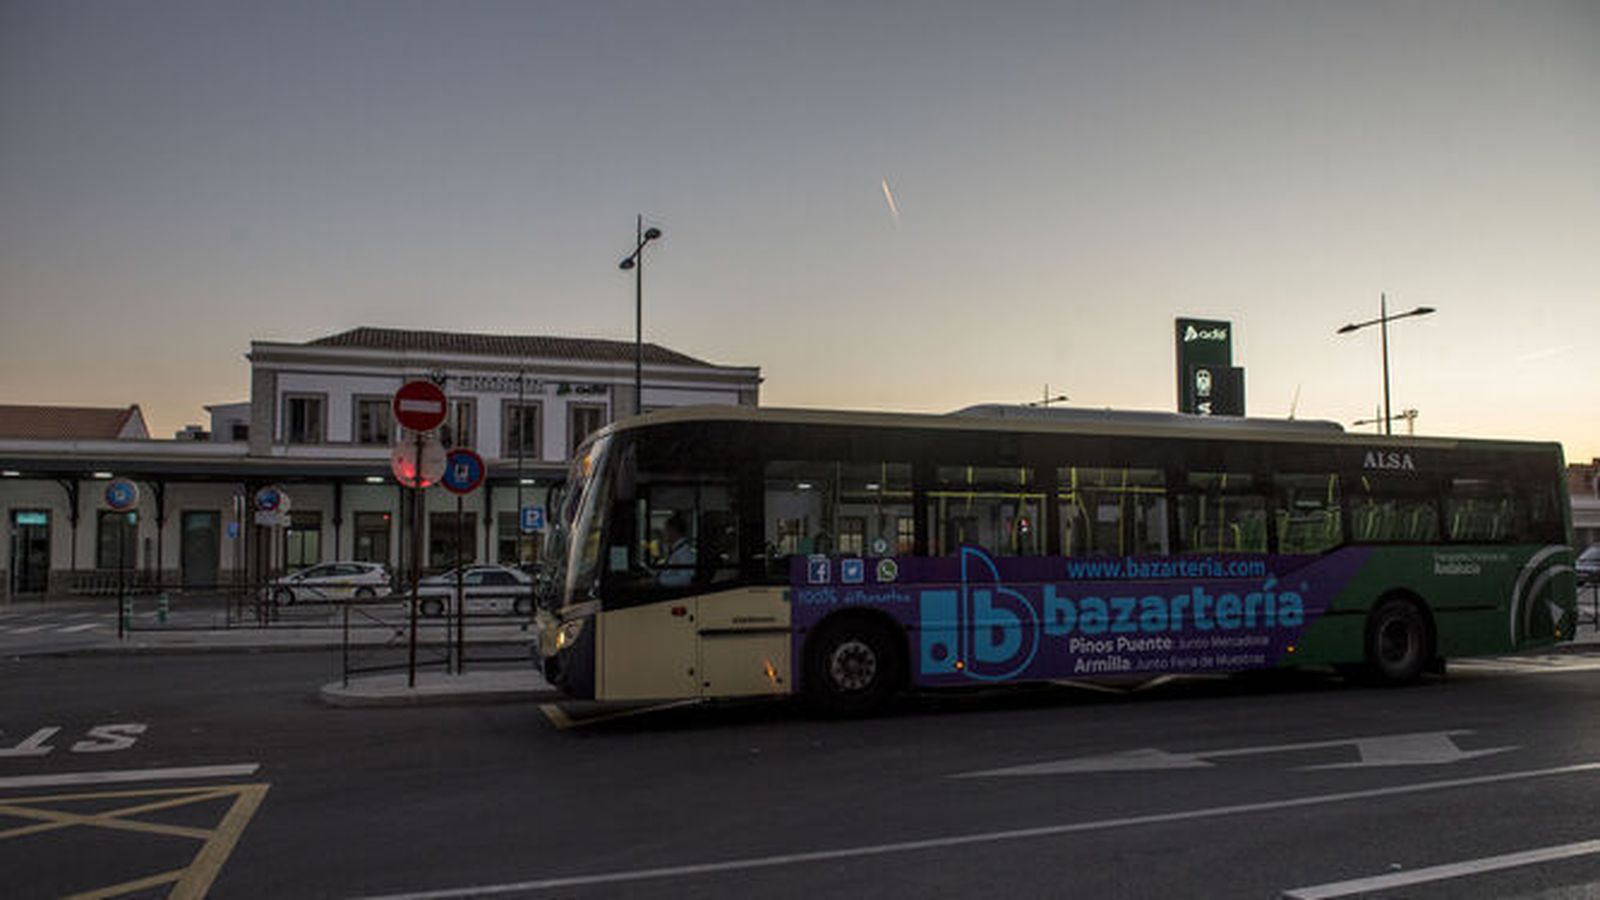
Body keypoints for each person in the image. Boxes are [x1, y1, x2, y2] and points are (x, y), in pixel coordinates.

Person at [656, 512, 696, 587]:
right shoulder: (676, 550)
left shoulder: (683, 553)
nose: (664, 533)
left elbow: (685, 579)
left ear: (673, 531)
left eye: (666, 530)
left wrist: (659, 581)